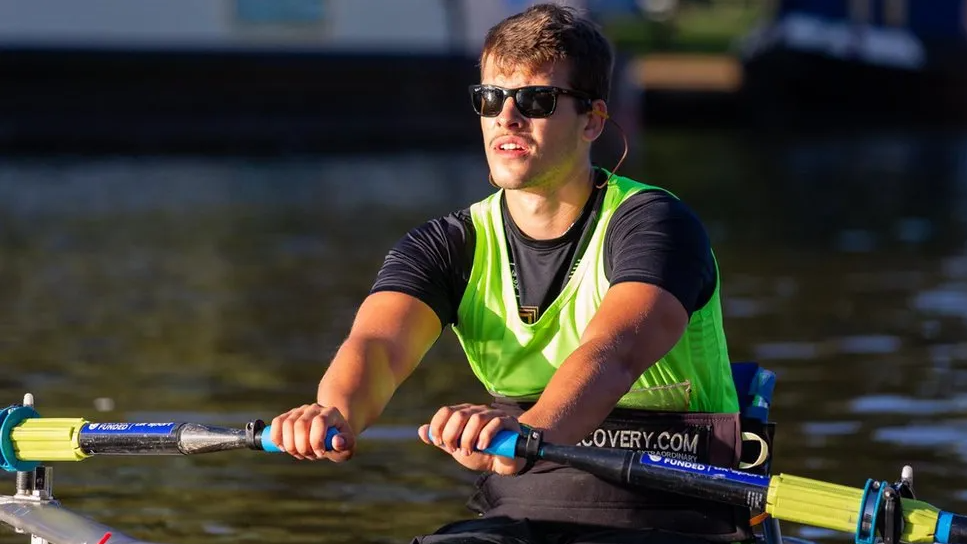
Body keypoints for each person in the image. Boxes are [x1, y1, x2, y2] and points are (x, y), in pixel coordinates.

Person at [270, 4, 747, 544]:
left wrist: (528, 432)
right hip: (526, 500)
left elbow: (614, 353)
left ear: (592, 120)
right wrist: (333, 414)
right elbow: (378, 345)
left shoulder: (656, 224)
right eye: (491, 98)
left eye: (536, 100)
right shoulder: (446, 245)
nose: (507, 118)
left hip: (678, 505)